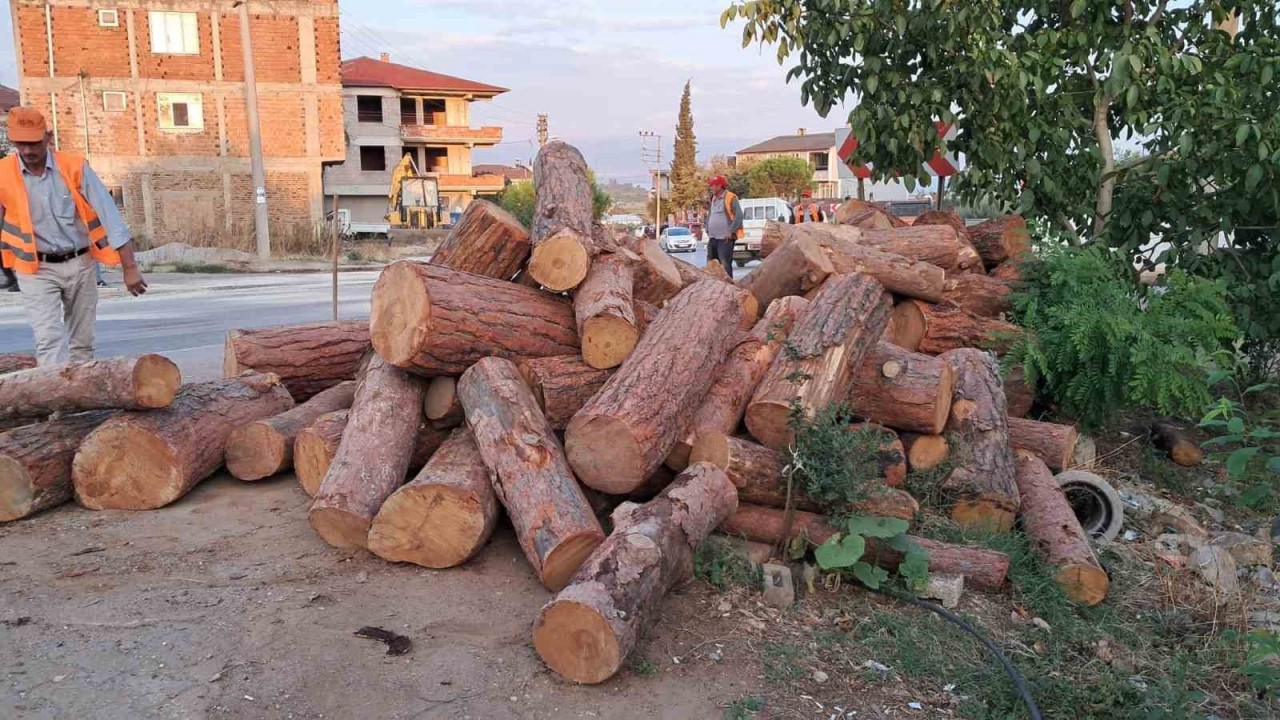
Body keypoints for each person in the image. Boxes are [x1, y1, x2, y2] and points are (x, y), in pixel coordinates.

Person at [0, 107, 146, 366]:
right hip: (35, 269)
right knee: (48, 340)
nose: (27, 152)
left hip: (80, 264)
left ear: (48, 137)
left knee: (82, 342)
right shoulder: (3, 173)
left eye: (33, 144)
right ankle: (54, 403)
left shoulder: (74, 167)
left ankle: (80, 399)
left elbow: (109, 215)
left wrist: (130, 267)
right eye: (20, 144)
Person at [705, 175, 743, 278]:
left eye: (712, 185)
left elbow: (739, 215)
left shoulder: (730, 197)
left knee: (725, 265)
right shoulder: (713, 198)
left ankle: (728, 288)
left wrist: (731, 231)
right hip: (713, 237)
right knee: (711, 264)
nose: (710, 188)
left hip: (725, 239)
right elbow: (710, 214)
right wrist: (707, 227)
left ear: (719, 186)